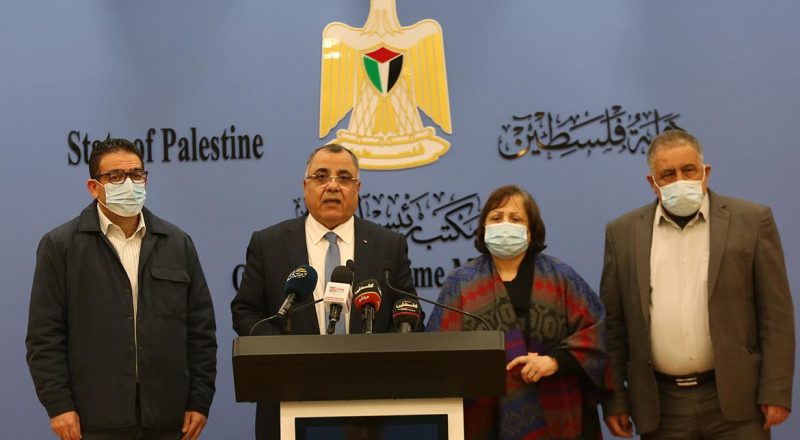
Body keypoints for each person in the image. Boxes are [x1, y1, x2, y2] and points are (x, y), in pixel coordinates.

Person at [600, 130, 794, 439]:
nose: (680, 180)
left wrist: (776, 390)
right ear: (652, 183)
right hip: (662, 407)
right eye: (668, 174)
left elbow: (776, 315)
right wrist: (615, 400)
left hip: (738, 401)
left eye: (689, 170)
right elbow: (613, 326)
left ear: (705, 172)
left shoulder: (752, 221)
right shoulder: (622, 233)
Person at [25, 138, 217, 440]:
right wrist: (58, 405)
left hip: (166, 417)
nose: (129, 184)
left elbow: (200, 332)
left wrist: (199, 401)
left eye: (136, 175)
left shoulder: (177, 243)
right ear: (94, 187)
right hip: (93, 418)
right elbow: (45, 336)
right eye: (115, 177)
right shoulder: (61, 246)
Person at [230, 143, 418, 439]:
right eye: (321, 176)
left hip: (371, 405)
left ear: (358, 188)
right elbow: (245, 312)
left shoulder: (388, 245)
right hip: (289, 400)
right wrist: (288, 358)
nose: (332, 186)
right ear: (305, 186)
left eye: (344, 177)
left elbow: (406, 311)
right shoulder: (269, 243)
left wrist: (380, 367)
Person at [428, 185, 610, 440]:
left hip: (555, 411)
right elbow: (437, 351)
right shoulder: (461, 282)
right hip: (483, 415)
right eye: (496, 218)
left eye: (515, 219)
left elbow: (598, 333)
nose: (505, 225)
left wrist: (554, 361)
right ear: (483, 227)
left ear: (531, 229)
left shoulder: (561, 276)